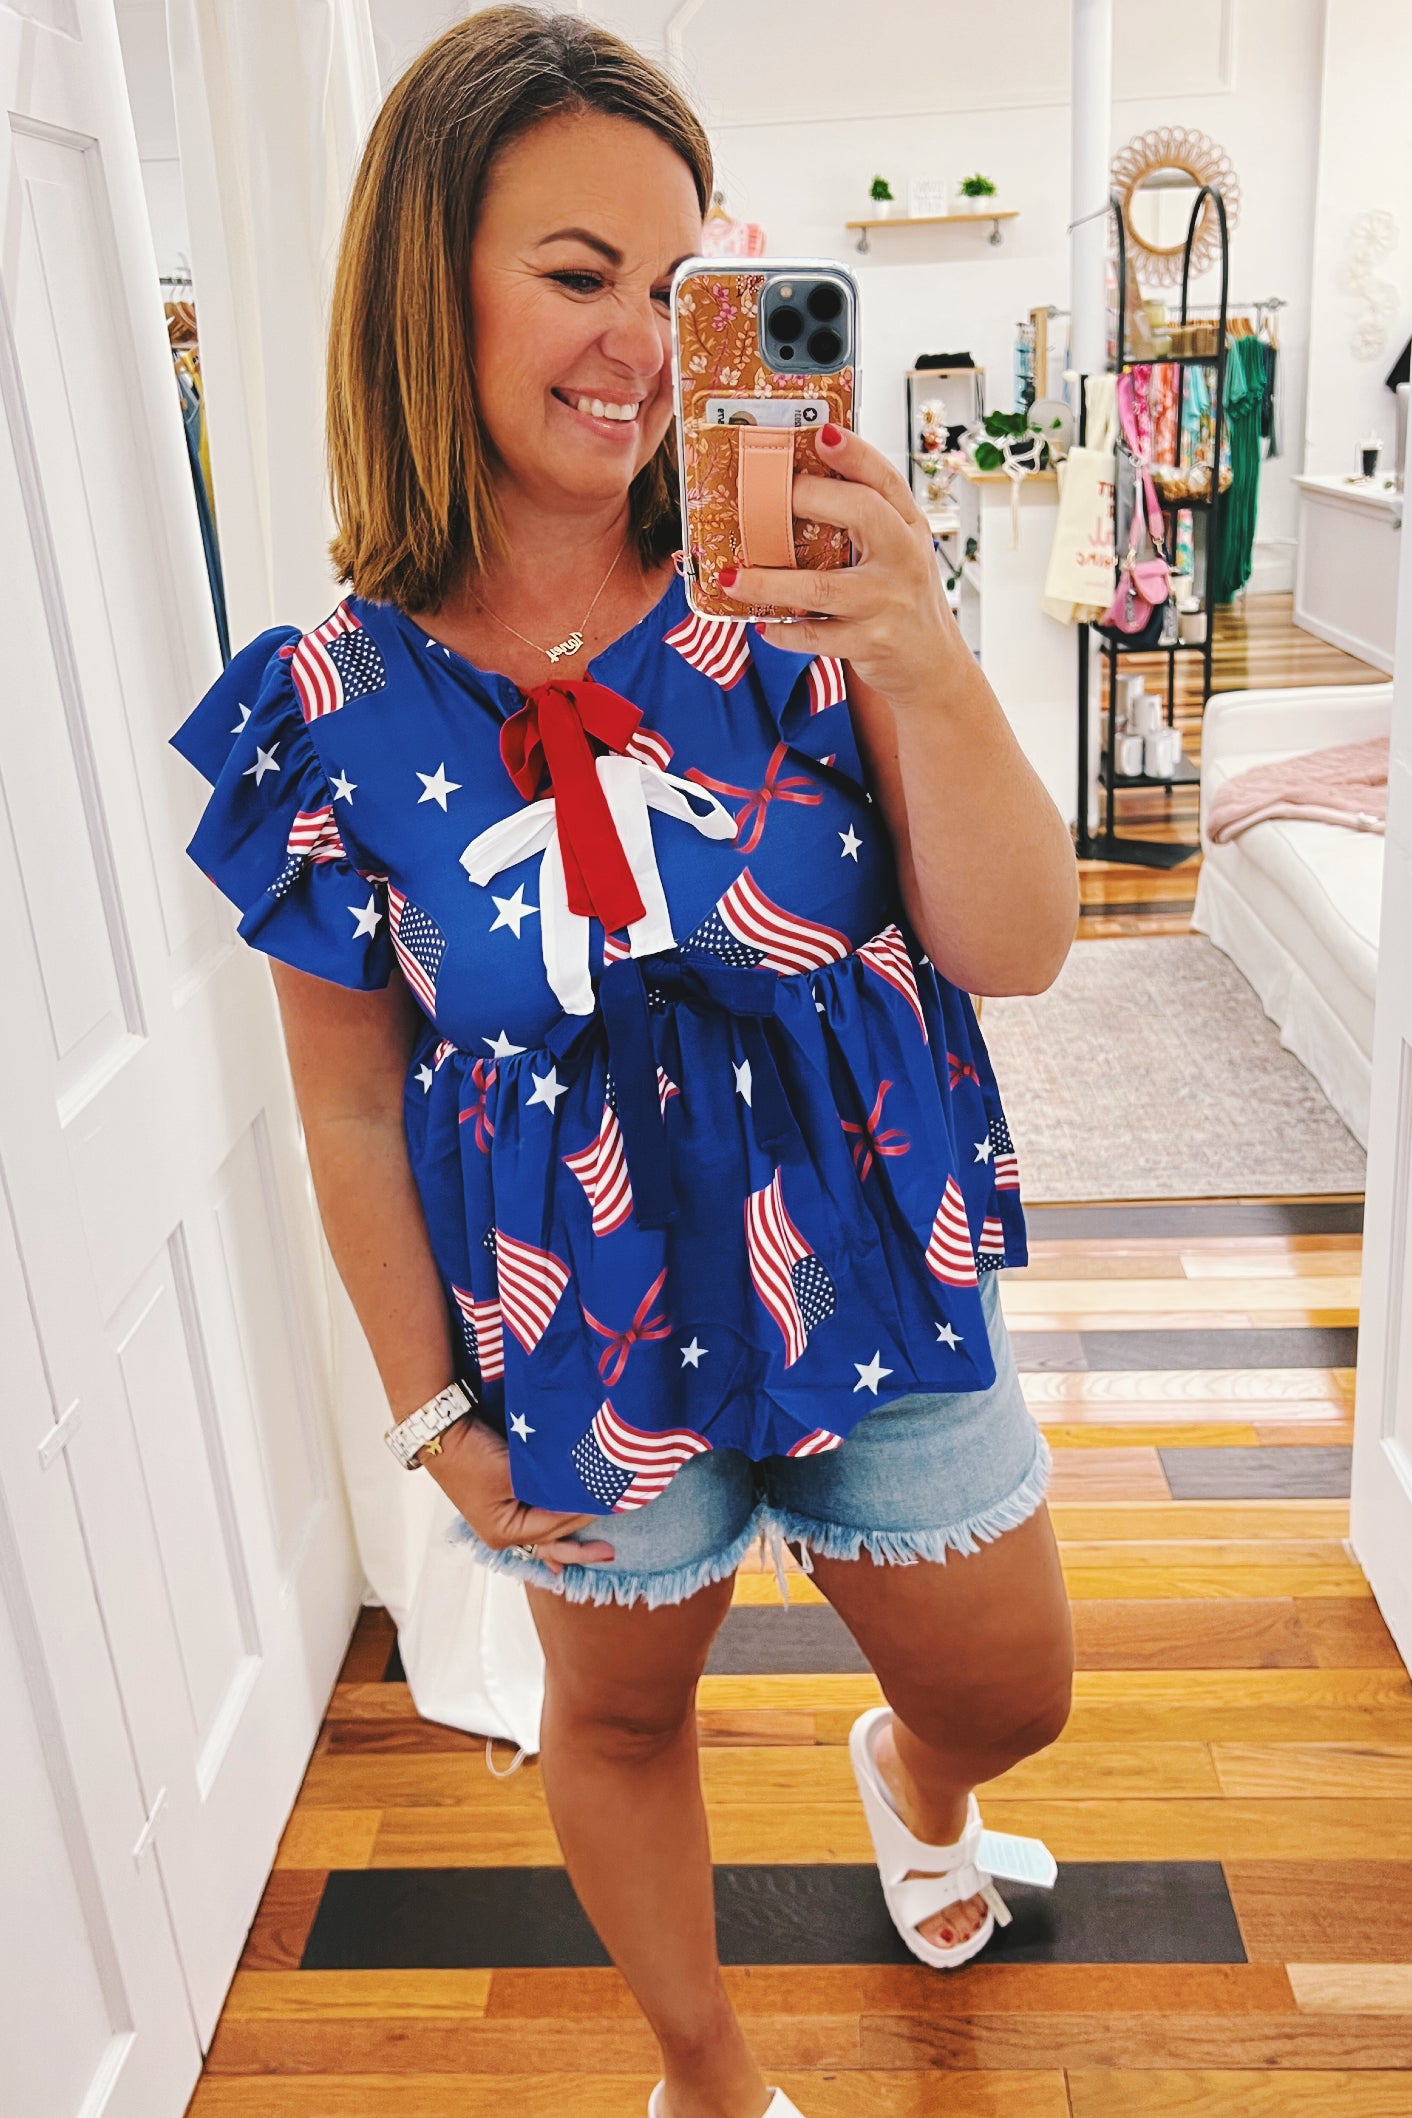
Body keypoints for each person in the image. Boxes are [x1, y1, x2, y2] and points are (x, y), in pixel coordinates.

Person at [172, 12, 1079, 2116]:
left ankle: (917, 1782)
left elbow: (1019, 946)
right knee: (620, 1716)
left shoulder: (804, 595)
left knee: (1012, 1686)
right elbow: (343, 1096)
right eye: (578, 274)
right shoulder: (327, 706)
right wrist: (427, 1414)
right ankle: (707, 2073)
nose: (643, 346)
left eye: (678, 287)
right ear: (430, 290)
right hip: (579, 1316)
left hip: (864, 1255)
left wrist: (925, 654)